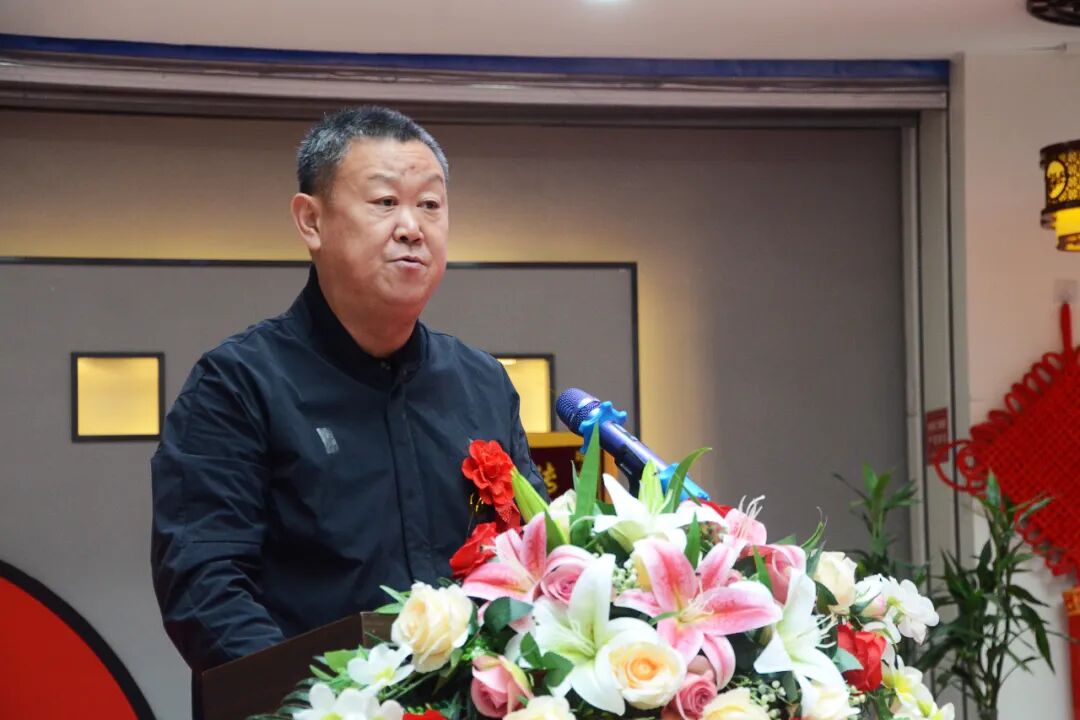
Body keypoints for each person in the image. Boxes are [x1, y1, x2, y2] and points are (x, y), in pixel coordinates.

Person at [150, 106, 546, 697]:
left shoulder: (481, 382)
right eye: (385, 202)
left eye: (430, 205)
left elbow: (531, 555)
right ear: (311, 221)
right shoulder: (236, 384)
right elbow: (205, 588)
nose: (412, 227)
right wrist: (319, 706)